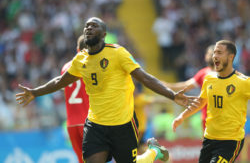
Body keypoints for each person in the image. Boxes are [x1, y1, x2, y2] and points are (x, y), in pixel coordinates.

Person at [16, 17, 197, 163]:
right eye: (86, 26)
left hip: (123, 124)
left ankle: (153, 152)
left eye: (93, 26)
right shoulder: (81, 60)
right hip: (95, 125)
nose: (88, 29)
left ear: (103, 34)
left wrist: (172, 95)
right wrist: (35, 92)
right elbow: (60, 81)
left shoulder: (118, 53)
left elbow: (145, 78)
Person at [172, 40, 250, 163]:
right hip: (209, 139)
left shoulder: (244, 82)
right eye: (214, 53)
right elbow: (201, 101)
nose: (214, 56)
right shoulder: (209, 78)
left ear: (231, 57)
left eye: (219, 52)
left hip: (230, 142)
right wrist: (182, 116)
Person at [165, 44, 215, 130]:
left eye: (211, 54)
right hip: (207, 117)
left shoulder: (229, 75)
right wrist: (167, 85)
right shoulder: (204, 73)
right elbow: (186, 86)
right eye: (208, 53)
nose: (208, 56)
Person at [61, 35, 89, 163]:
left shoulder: (65, 67)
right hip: (88, 122)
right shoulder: (91, 66)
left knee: (81, 160)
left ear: (77, 48)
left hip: (71, 123)